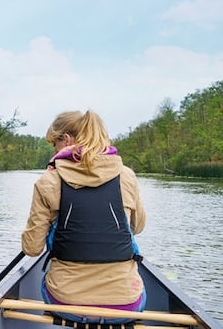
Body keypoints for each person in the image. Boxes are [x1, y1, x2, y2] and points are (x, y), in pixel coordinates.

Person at [21, 110, 147, 324]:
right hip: (126, 304)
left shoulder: (48, 181)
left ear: (67, 140)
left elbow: (32, 249)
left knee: (49, 280)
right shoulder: (126, 175)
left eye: (54, 144)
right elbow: (137, 227)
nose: (54, 150)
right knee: (135, 290)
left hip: (66, 302)